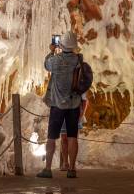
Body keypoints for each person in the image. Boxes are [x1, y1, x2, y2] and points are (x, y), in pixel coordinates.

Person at [36, 31, 81, 179]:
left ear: (61, 45)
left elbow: (46, 64)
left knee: (51, 137)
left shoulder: (55, 60)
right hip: (73, 105)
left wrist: (51, 51)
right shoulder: (78, 60)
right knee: (73, 136)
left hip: (57, 105)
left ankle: (48, 169)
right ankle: (72, 169)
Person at [60, 92, 88, 171]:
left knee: (73, 139)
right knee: (64, 139)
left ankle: (72, 165)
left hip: (74, 114)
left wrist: (82, 114)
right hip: (62, 113)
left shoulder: (78, 84)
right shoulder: (61, 84)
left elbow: (85, 100)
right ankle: (66, 163)